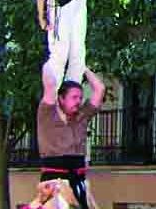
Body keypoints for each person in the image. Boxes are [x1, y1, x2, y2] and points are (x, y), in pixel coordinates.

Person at [37, 64, 105, 209]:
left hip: (79, 180)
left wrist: (82, 66)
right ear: (61, 98)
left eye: (80, 98)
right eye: (74, 97)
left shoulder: (81, 116)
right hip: (54, 182)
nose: (78, 101)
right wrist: (55, 59)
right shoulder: (47, 114)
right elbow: (49, 85)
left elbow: (100, 89)